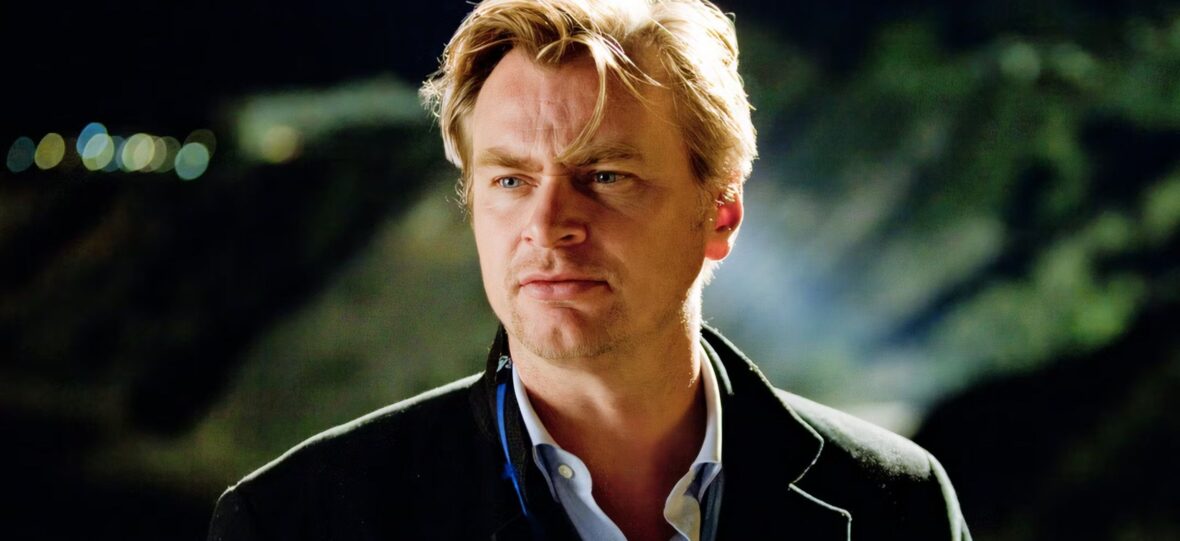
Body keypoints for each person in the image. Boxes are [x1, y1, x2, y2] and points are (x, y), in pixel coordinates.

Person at [207, 0, 971, 539]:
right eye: (511, 180)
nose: (548, 224)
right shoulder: (296, 521)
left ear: (721, 213)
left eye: (605, 175)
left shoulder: (897, 504)